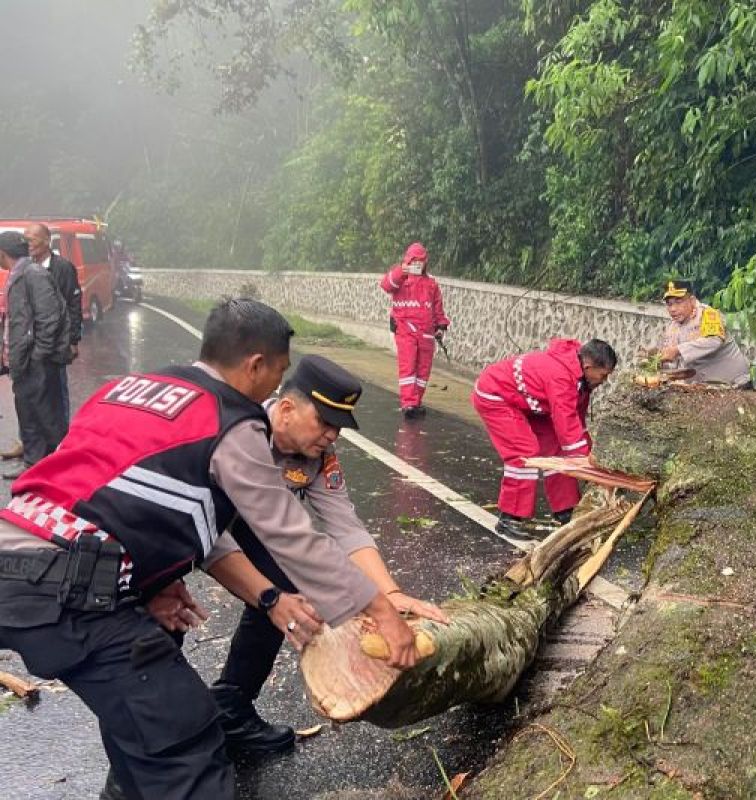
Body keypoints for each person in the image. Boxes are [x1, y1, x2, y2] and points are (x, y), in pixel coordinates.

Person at [0, 298, 425, 800]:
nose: (331, 436)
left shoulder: (136, 387)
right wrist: (372, 609)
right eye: (279, 372)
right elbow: (285, 536)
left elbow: (112, 492)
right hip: (73, 585)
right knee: (186, 743)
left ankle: (212, 719)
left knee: (151, 703)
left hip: (23, 556)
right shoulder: (235, 425)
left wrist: (152, 581)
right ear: (258, 367)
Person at [208, 354, 448, 756]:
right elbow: (207, 534)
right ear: (286, 408)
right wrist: (266, 597)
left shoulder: (317, 458)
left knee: (287, 583)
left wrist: (389, 594)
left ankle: (231, 706)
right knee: (260, 597)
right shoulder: (236, 431)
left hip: (257, 523)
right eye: (325, 422)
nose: (332, 435)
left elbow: (345, 527)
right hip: (193, 524)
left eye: (338, 427)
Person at [472, 338, 616, 543]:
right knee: (524, 453)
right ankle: (509, 518)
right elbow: (567, 425)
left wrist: (589, 453)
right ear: (588, 366)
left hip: (527, 402)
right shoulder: (561, 377)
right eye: (603, 375)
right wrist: (589, 465)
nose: (604, 380)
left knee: (557, 448)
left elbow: (576, 421)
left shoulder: (580, 377)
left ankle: (566, 510)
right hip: (496, 396)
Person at [0, 231, 71, 480]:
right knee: (28, 412)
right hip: (23, 359)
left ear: (3, 253)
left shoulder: (33, 274)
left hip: (36, 360)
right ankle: (33, 463)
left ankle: (58, 468)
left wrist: (39, 354)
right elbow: (16, 320)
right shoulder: (18, 274)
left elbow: (49, 317)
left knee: (47, 416)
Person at [379, 242, 450, 419]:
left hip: (426, 334)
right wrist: (402, 271)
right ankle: (408, 403)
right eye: (414, 261)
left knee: (423, 371)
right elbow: (386, 285)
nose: (418, 264)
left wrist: (440, 326)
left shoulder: (431, 284)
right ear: (408, 260)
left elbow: (437, 307)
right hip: (405, 330)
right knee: (408, 367)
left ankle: (416, 402)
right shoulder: (400, 279)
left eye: (421, 261)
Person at [25, 222, 83, 428]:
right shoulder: (24, 267)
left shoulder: (63, 268)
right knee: (30, 391)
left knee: (56, 390)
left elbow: (73, 303)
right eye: (25, 239)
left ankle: (61, 439)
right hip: (30, 342)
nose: (28, 244)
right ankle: (31, 440)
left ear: (47, 241)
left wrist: (73, 340)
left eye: (32, 239)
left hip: (56, 341)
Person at [649, 279, 750, 386]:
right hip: (703, 388)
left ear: (692, 300)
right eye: (669, 304)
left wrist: (677, 350)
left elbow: (714, 340)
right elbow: (672, 359)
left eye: (678, 302)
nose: (673, 309)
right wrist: (656, 360)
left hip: (735, 384)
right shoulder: (672, 327)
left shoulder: (708, 314)